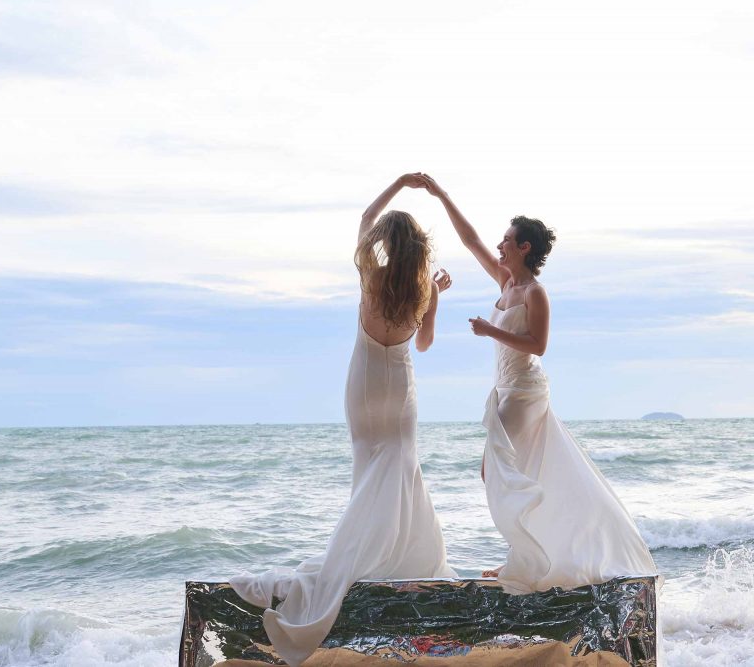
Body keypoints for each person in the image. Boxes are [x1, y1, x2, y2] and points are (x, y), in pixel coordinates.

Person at [230, 173, 456, 667]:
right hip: (400, 389)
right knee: (401, 469)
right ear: (419, 250)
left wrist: (400, 183)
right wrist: (436, 294)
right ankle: (396, 557)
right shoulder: (423, 290)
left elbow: (366, 217)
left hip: (363, 386)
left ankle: (359, 557)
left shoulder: (371, 279)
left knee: (368, 471)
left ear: (385, 244)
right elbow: (423, 344)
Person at [422, 173, 657, 594]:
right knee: (508, 473)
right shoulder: (505, 282)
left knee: (496, 470)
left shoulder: (535, 292)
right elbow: (471, 240)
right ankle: (530, 552)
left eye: (507, 240)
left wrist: (490, 331)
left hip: (525, 391)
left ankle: (525, 557)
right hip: (504, 389)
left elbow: (539, 345)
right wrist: (441, 195)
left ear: (524, 247)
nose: (500, 245)